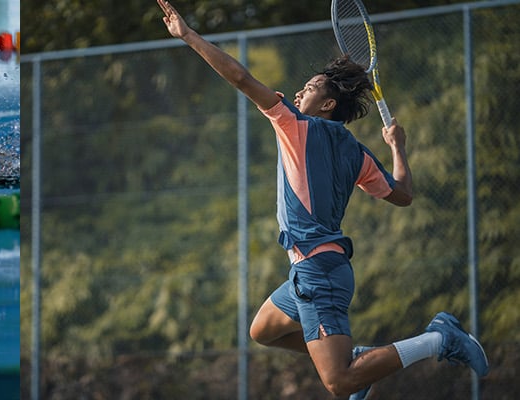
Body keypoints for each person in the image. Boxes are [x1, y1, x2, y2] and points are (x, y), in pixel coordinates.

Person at [154, 1, 487, 398]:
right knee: (263, 331)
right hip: (312, 271)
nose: (299, 91)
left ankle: (438, 339)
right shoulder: (355, 150)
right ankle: (359, 357)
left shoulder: (293, 124)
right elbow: (402, 194)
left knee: (340, 382)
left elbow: (241, 78)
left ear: (328, 105)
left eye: (309, 88)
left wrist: (189, 35)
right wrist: (398, 147)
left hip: (319, 273)